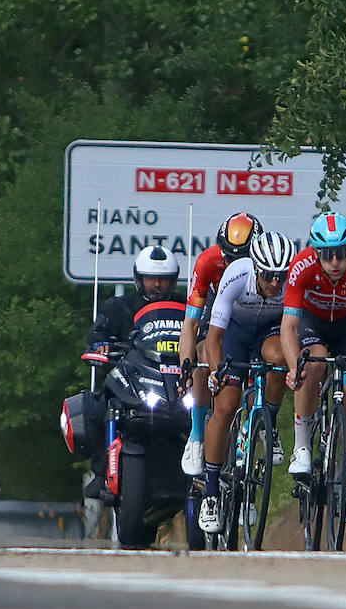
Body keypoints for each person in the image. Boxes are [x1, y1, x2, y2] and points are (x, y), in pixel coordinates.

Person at [280, 211, 346, 525]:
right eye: (327, 255)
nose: (335, 262)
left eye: (341, 253)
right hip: (313, 325)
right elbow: (288, 327)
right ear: (316, 253)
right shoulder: (301, 266)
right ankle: (301, 446)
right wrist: (292, 366)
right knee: (313, 362)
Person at [196, 230, 295, 534]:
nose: (276, 283)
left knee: (279, 359)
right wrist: (216, 372)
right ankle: (211, 494)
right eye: (269, 276)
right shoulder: (235, 276)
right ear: (255, 268)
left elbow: (294, 330)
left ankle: (270, 424)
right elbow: (214, 338)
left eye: (281, 276)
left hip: (270, 331)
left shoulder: (291, 283)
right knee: (226, 406)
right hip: (235, 333)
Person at [84, 245, 184, 496]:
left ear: (173, 281)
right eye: (151, 279)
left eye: (163, 279)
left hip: (178, 378)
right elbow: (97, 334)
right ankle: (100, 472)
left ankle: (215, 477)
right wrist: (101, 346)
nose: (157, 285)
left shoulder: (188, 307)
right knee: (95, 410)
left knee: (211, 412)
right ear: (139, 279)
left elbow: (205, 331)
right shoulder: (119, 307)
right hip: (133, 375)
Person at [177, 211, 262, 476]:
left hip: (252, 311)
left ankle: (254, 427)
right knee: (202, 358)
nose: (233, 264)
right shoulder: (207, 262)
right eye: (228, 257)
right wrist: (186, 369)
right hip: (217, 309)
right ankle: (197, 435)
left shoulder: (267, 265)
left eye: (243, 258)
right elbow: (190, 324)